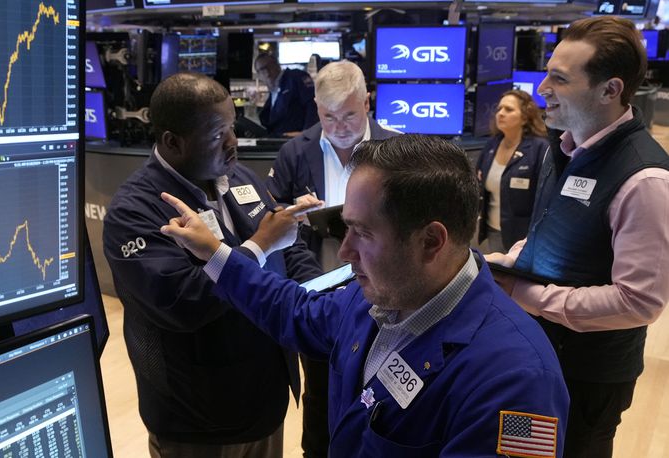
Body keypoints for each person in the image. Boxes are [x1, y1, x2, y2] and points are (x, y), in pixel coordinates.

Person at [160, 135, 569, 457]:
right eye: (346, 229)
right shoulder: (378, 297)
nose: (344, 251)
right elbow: (295, 310)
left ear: (430, 241)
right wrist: (216, 254)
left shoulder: (518, 381)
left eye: (364, 233)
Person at [102, 72, 323, 457]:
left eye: (233, 127)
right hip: (199, 419)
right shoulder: (134, 211)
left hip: (265, 398)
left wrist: (323, 290)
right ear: (173, 141)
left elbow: (286, 246)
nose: (233, 142)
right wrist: (257, 245)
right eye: (217, 132)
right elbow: (182, 302)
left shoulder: (240, 177)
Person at [487, 16, 669, 458]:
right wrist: (510, 262)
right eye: (547, 72)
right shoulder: (561, 145)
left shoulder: (645, 179)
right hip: (535, 353)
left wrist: (528, 294)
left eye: (559, 79)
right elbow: (553, 231)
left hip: (588, 376)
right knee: (524, 451)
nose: (542, 88)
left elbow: (639, 302)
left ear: (610, 89)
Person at [265, 59, 399, 457]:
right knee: (320, 391)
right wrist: (292, 215)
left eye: (349, 115)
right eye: (328, 116)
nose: (339, 126)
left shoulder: (397, 150)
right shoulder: (295, 151)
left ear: (367, 102)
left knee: (379, 391)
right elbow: (274, 221)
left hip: (385, 296)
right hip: (319, 291)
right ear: (317, 109)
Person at [475, 89, 548, 253]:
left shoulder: (539, 148)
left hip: (525, 236)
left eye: (508, 109)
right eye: (499, 109)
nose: (500, 114)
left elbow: (545, 196)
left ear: (524, 117)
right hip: (493, 229)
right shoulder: (492, 144)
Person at [255, 53, 319, 137]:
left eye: (269, 66)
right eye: (262, 70)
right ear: (258, 75)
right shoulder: (273, 92)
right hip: (278, 141)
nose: (267, 72)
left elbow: (312, 104)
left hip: (297, 141)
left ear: (277, 65)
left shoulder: (296, 77)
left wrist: (307, 134)